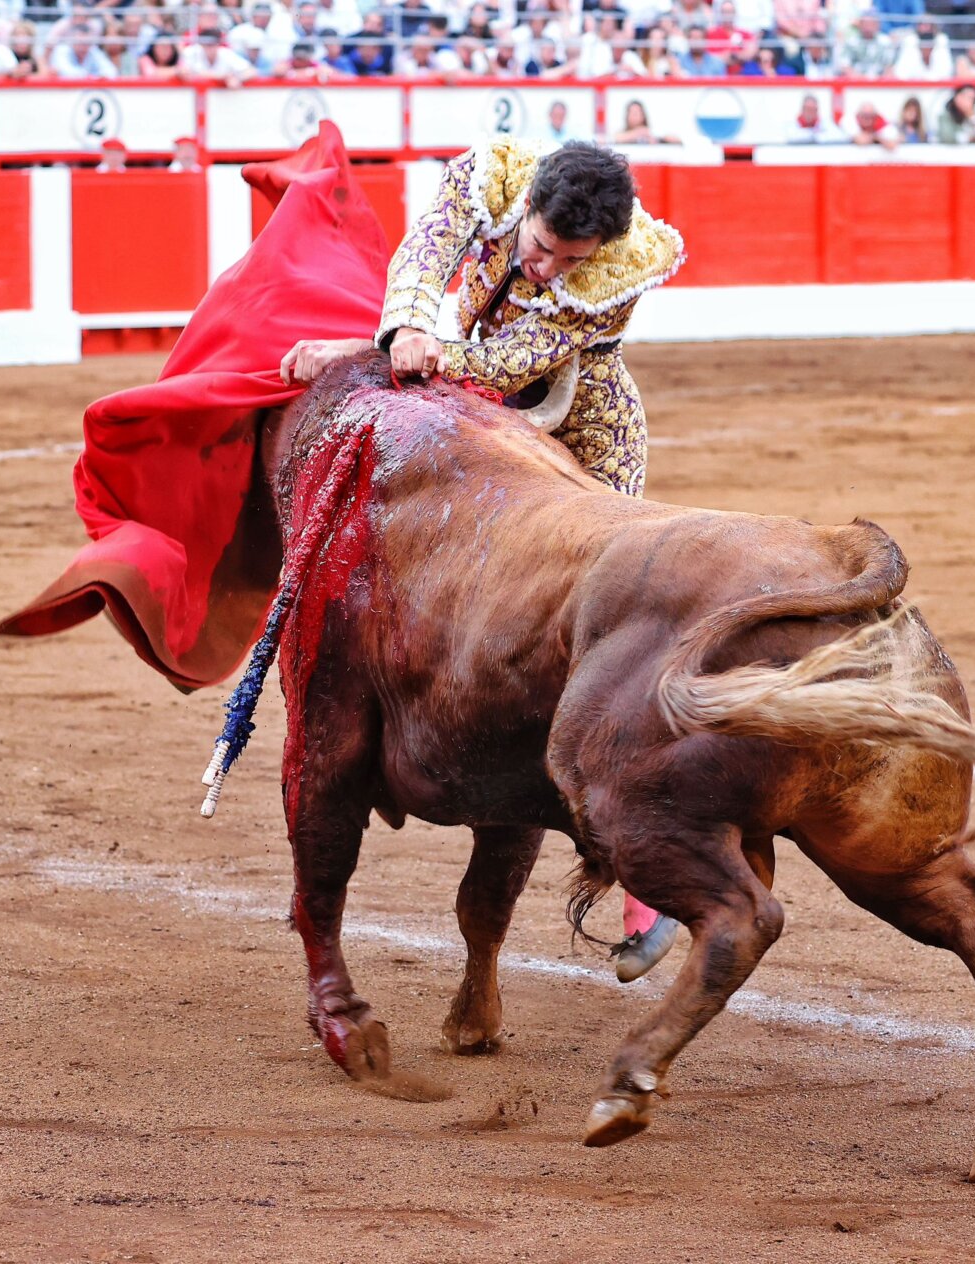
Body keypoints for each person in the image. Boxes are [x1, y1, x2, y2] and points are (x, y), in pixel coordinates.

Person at [279, 141, 687, 982]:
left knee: (615, 622)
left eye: (567, 259)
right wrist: (397, 332)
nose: (543, 267)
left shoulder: (616, 276)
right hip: (451, 377)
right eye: (538, 246)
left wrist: (378, 354)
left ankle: (650, 886)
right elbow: (427, 252)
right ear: (526, 203)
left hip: (578, 422)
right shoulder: (492, 177)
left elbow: (509, 366)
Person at [614, 97, 681, 141]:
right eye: (632, 113)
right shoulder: (621, 133)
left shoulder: (650, 131)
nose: (634, 116)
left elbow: (674, 139)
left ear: (643, 115)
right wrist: (637, 133)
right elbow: (616, 139)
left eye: (637, 113)